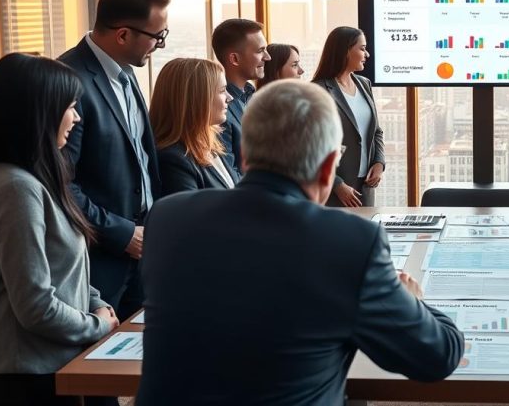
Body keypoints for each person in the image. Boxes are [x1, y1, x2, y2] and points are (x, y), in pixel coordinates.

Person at [138, 80, 463, 405]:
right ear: (327, 170)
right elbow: (437, 356)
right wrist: (413, 301)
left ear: (244, 155)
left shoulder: (167, 219)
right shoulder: (349, 243)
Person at [0, 53, 119, 406]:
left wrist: (98, 305)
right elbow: (36, 305)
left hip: (53, 366)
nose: (76, 117)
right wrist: (97, 325)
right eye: (69, 107)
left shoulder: (29, 176)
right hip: (25, 380)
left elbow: (64, 271)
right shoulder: (15, 188)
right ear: (37, 114)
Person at [59, 0, 167, 319]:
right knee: (97, 368)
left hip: (143, 257)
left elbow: (141, 161)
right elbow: (60, 183)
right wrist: (122, 234)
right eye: (158, 36)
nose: (160, 45)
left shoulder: (125, 72)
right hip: (101, 262)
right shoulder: (68, 80)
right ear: (123, 35)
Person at [312, 26, 385, 207]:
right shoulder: (318, 90)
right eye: (362, 48)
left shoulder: (364, 84)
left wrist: (379, 162)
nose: (366, 54)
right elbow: (311, 146)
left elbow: (376, 131)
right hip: (333, 189)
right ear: (345, 51)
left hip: (365, 187)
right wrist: (337, 184)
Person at [151, 58, 238, 196]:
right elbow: (191, 216)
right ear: (197, 99)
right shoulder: (173, 160)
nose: (230, 97)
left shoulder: (213, 143)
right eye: (222, 91)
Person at [212, 18, 271, 177]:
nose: (267, 57)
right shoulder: (218, 110)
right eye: (260, 51)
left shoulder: (252, 97)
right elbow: (230, 176)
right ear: (235, 59)